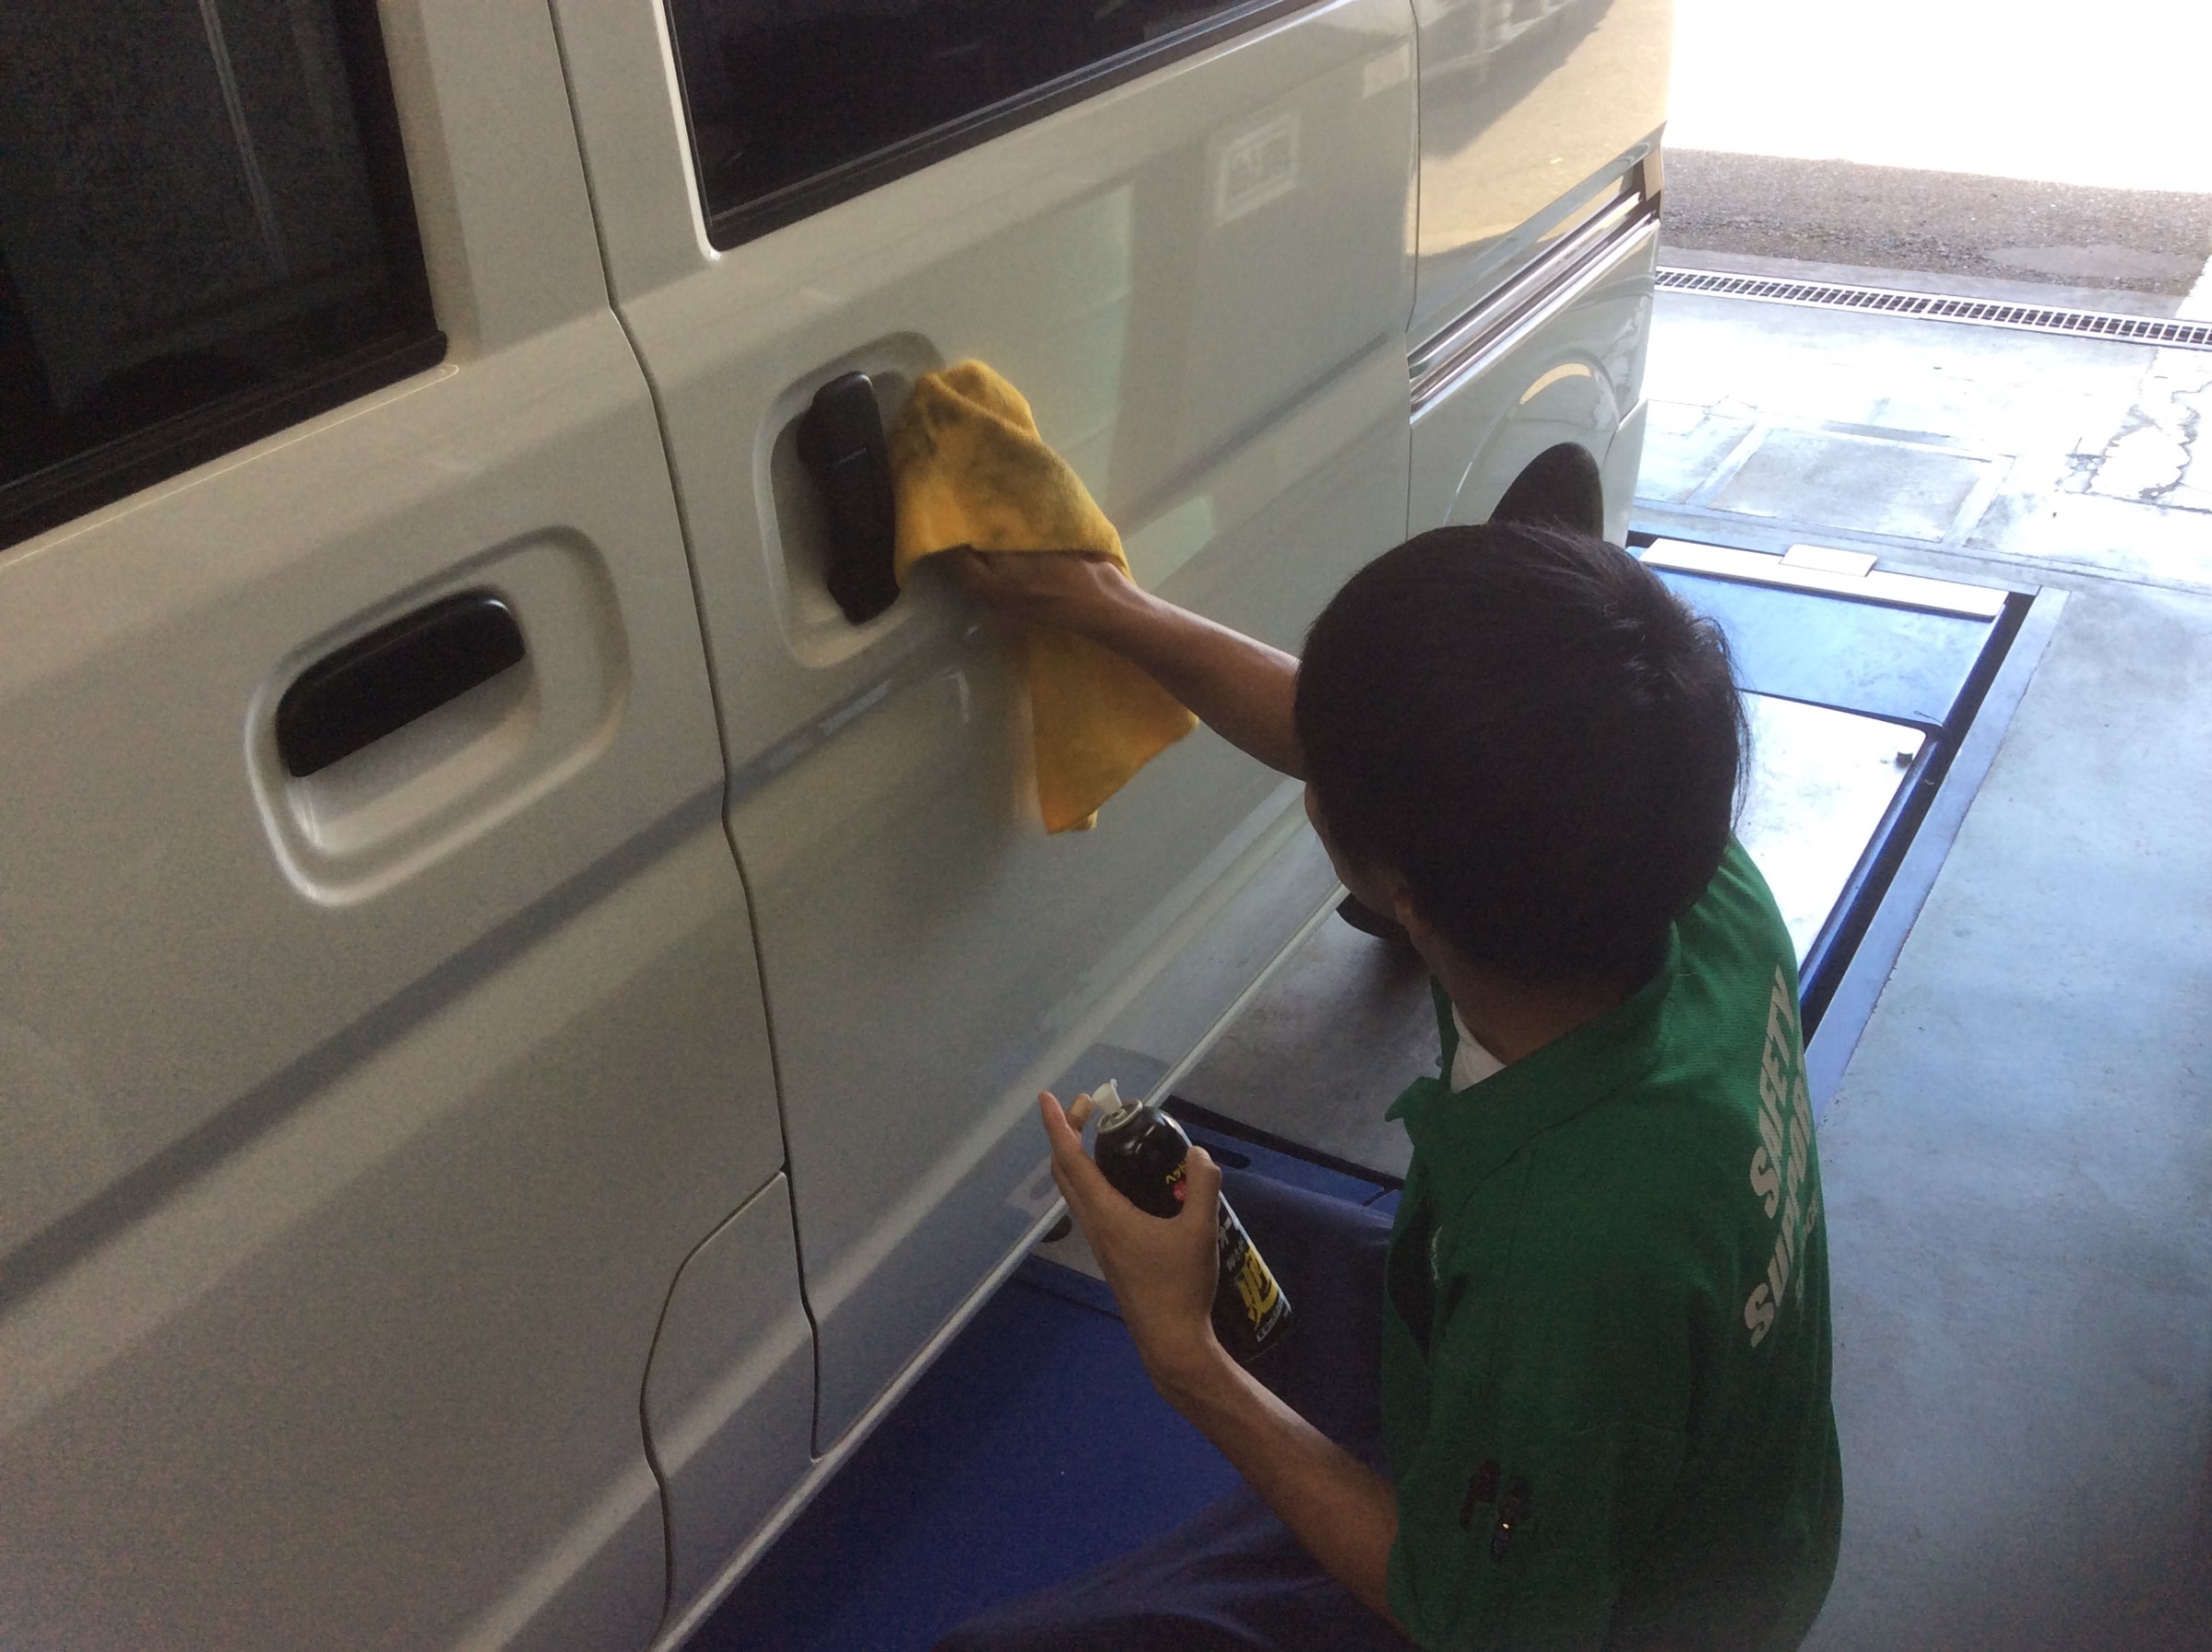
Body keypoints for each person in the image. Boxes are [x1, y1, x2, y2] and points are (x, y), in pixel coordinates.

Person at [934, 522, 1843, 1651]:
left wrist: (1186, 1360)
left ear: (1399, 885)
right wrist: (1108, 605)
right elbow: (1372, 756)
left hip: (1616, 1607)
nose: (1314, 787)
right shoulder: (1671, 873)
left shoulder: (1568, 1252)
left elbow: (1470, 1618)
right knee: (1236, 1230)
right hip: (1716, 1480)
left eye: (1331, 786)